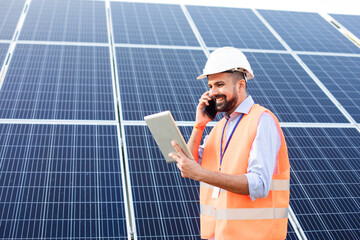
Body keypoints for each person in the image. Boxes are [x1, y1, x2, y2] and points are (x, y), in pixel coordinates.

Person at [168, 47, 290, 240]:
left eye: (220, 84)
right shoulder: (219, 128)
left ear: (241, 85)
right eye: (210, 86)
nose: (213, 92)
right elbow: (187, 167)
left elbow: (258, 185)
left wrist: (200, 173)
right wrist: (199, 126)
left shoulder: (262, 120)